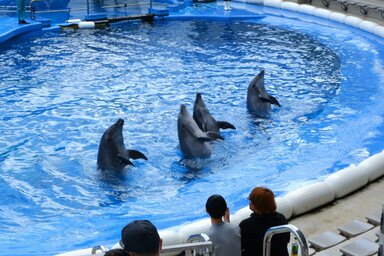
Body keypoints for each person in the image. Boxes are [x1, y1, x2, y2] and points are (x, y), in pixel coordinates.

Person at [239, 187, 290, 256]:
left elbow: (238, 247)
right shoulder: (281, 219)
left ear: (256, 205)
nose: (250, 202)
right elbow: (287, 240)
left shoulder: (246, 225)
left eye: (251, 200)